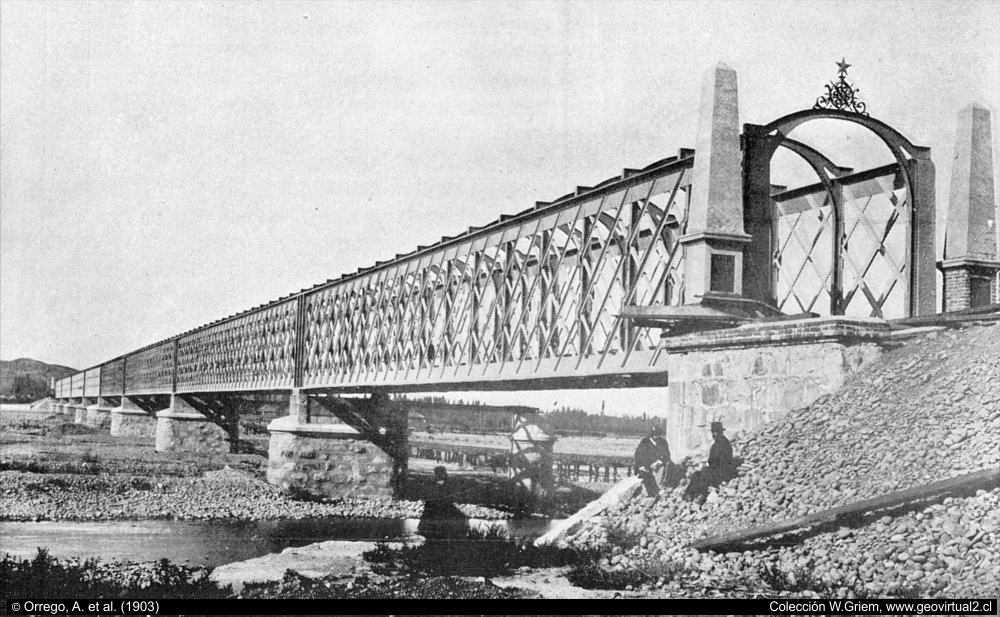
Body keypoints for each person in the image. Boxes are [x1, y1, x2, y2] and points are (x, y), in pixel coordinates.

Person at [684, 421, 738, 502]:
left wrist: (705, 465)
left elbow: (717, 461)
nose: (714, 434)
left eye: (716, 432)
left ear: (721, 432)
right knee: (697, 474)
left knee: (704, 473)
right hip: (719, 469)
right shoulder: (719, 443)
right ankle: (689, 495)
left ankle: (699, 495)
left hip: (722, 471)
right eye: (713, 432)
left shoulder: (722, 444)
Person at [634, 424, 671, 497]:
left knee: (666, 470)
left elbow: (667, 456)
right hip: (645, 466)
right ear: (651, 435)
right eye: (654, 434)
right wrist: (642, 466)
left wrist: (658, 462)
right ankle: (652, 494)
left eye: (657, 434)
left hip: (658, 466)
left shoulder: (663, 442)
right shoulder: (645, 442)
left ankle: (660, 489)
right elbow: (638, 455)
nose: (656, 436)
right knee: (647, 476)